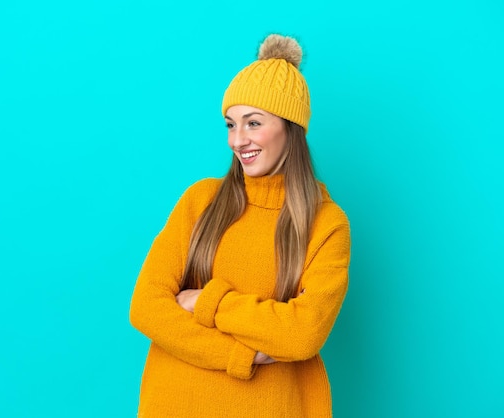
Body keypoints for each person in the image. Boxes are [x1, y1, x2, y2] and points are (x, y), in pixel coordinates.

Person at [129, 33, 351, 417]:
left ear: (290, 127)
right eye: (230, 124)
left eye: (253, 123)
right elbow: (147, 307)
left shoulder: (326, 224)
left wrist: (206, 301)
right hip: (175, 404)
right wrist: (241, 353)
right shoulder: (201, 201)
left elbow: (302, 334)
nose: (237, 140)